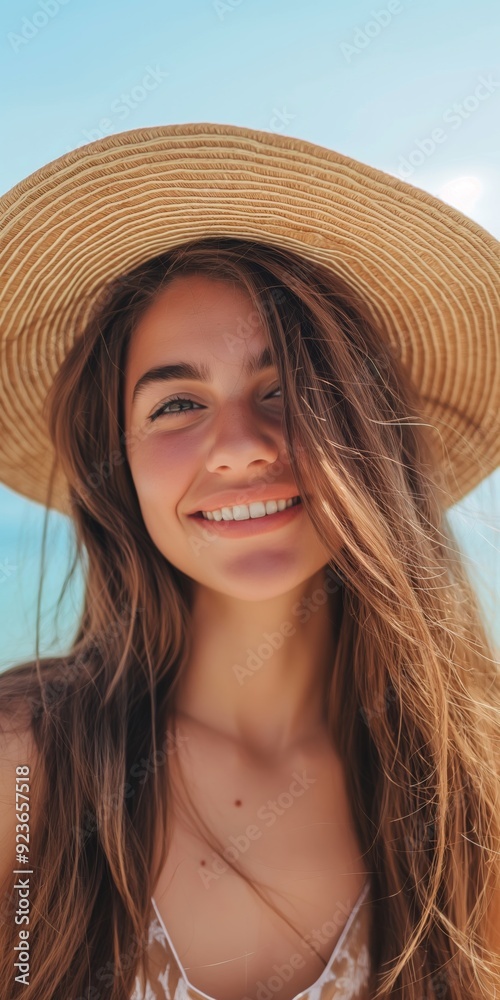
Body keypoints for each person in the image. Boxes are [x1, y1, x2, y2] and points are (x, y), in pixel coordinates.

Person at [0, 123, 499, 1000]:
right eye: (177, 402)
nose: (237, 448)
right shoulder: (24, 768)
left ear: (367, 428)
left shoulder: (474, 786)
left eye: (288, 391)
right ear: (116, 461)